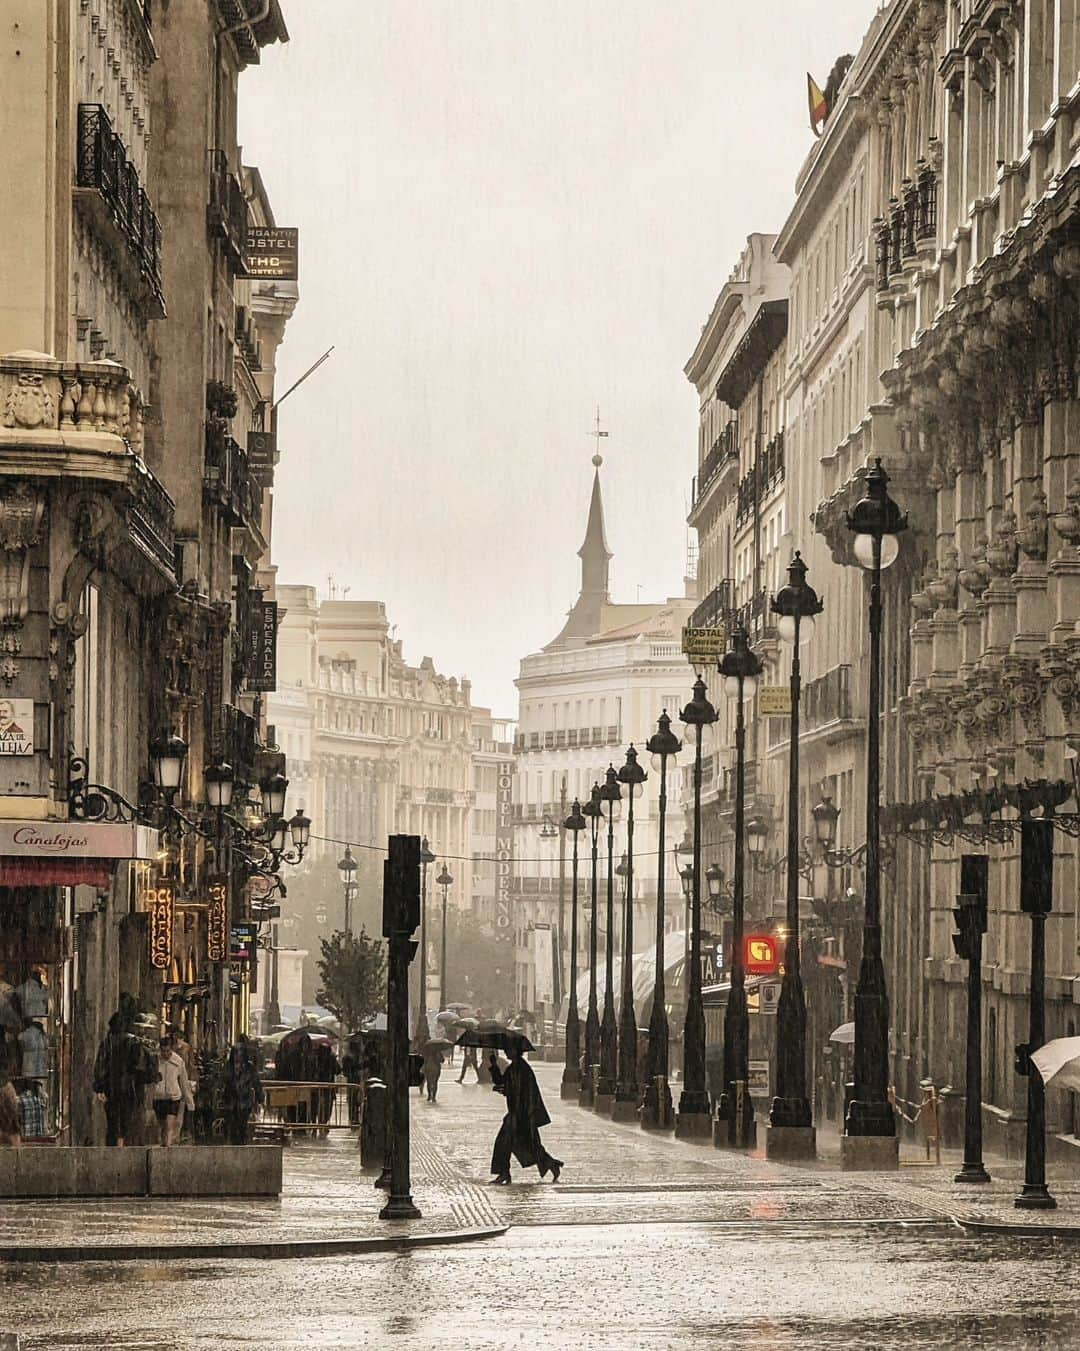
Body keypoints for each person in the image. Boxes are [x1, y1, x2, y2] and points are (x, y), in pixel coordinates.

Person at [489, 1041, 562, 1184]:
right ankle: (550, 1164)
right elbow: (502, 1082)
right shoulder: (513, 1067)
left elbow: (524, 1093)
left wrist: (507, 1092)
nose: (506, 1052)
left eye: (509, 1049)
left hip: (522, 1115)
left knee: (513, 1143)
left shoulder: (523, 1069)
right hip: (516, 1113)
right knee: (521, 1144)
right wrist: (494, 1065)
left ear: (516, 1051)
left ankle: (505, 1173)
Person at [93, 1012, 147, 1146]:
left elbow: (100, 1064)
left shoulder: (107, 1042)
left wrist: (99, 1087)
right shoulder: (134, 1042)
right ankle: (122, 1142)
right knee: (126, 1119)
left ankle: (113, 1145)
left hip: (110, 1087)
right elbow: (138, 1065)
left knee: (112, 1121)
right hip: (129, 1087)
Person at [151, 1035, 194, 1147]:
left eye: (168, 1051)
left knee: (169, 1125)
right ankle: (163, 1144)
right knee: (161, 1126)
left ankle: (168, 1147)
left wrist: (189, 1100)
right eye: (163, 1051)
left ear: (171, 1049)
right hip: (159, 1097)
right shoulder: (155, 1061)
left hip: (173, 1097)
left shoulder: (178, 1062)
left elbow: (183, 1081)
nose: (166, 1054)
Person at [222, 1037, 263, 1145]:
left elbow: (256, 1083)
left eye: (240, 1054)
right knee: (231, 1126)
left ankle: (242, 1143)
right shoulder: (228, 1067)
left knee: (242, 1125)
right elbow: (222, 1081)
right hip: (230, 1101)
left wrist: (260, 1097)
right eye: (235, 1053)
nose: (237, 1056)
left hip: (245, 1101)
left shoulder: (250, 1068)